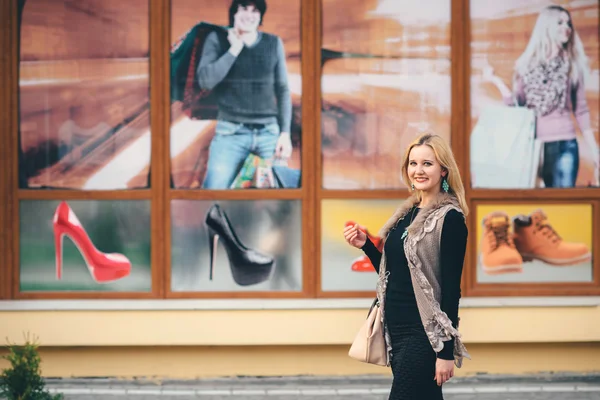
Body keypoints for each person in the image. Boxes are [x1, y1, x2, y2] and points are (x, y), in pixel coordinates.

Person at [343, 133, 470, 399]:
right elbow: (393, 273)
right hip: (395, 329)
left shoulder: (450, 219)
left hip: (424, 333)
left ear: (444, 170)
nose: (418, 170)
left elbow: (450, 290)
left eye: (427, 163)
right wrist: (366, 245)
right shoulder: (406, 215)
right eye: (413, 163)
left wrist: (445, 352)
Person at [483, 5, 599, 188]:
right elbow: (518, 106)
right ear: (547, 26)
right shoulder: (526, 67)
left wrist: (595, 151)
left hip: (565, 146)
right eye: (560, 22)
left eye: (568, 23)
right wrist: (496, 81)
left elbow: (581, 111)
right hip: (532, 146)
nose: (567, 27)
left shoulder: (573, 65)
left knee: (562, 206)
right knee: (534, 206)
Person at [196, 0, 293, 189]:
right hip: (230, 133)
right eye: (243, 9)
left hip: (269, 134)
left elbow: (282, 89)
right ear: (234, 14)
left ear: (260, 16)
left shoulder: (273, 43)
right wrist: (234, 49)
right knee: (213, 194)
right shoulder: (217, 40)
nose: (249, 15)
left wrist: (285, 133)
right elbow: (206, 81)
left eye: (255, 11)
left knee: (281, 197)